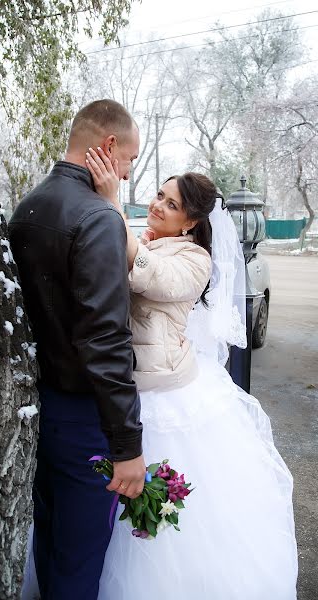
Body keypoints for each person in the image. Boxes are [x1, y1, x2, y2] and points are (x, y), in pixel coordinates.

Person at [85, 148, 298, 600]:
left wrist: (113, 209)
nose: (159, 206)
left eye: (172, 204)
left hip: (163, 389)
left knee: (156, 514)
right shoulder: (149, 240)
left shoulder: (194, 260)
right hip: (127, 386)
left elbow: (153, 277)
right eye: (159, 196)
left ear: (189, 223)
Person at [8, 99, 146, 600]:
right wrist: (126, 445)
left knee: (49, 541)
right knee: (80, 559)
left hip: (36, 406)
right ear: (108, 147)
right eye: (128, 160)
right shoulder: (96, 218)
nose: (126, 175)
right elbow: (106, 339)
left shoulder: (26, 206)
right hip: (84, 416)